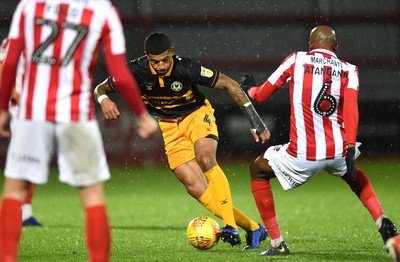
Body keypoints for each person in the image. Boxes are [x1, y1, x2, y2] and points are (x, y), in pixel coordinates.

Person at [0, 0, 159, 261]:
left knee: (14, 190)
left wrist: (4, 107)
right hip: (75, 113)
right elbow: (118, 73)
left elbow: (10, 59)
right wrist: (142, 115)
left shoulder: (30, 5)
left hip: (31, 112)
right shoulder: (102, 10)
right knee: (92, 195)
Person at [94, 32, 270, 249]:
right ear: (146, 57)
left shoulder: (187, 67)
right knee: (195, 187)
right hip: (169, 126)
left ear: (172, 52)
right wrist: (103, 99)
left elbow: (230, 84)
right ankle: (254, 228)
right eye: (154, 61)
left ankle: (230, 225)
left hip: (196, 116)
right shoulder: (135, 70)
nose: (160, 66)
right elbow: (100, 88)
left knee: (205, 159)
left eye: (164, 60)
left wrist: (255, 121)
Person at [240, 25, 398, 256]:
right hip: (339, 148)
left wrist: (249, 88)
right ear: (336, 48)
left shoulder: (296, 60)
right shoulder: (349, 69)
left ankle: (277, 243)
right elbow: (352, 109)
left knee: (258, 169)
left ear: (310, 46)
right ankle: (381, 219)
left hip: (304, 153)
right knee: (353, 175)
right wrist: (351, 146)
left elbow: (262, 95)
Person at [0, 38, 42, 227]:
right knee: (23, 159)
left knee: (32, 159)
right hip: (19, 108)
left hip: (37, 108)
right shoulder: (13, 42)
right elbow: (3, 71)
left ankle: (24, 212)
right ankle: (16, 212)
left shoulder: (45, 40)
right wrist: (16, 95)